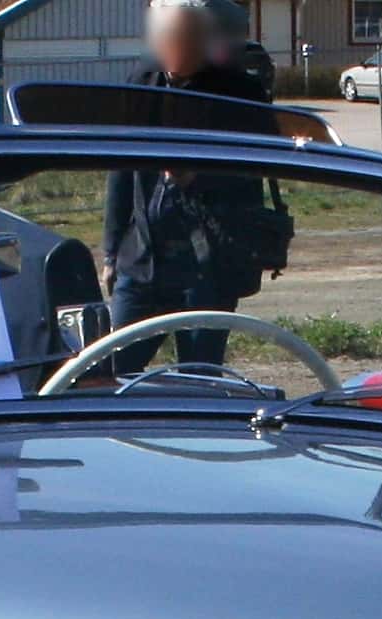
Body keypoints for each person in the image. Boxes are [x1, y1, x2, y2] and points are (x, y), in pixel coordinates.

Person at [101, 0, 276, 373]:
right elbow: (120, 170)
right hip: (142, 258)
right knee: (113, 372)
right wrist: (110, 252)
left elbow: (257, 169)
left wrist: (201, 174)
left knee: (199, 379)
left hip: (209, 267)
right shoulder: (142, 81)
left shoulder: (240, 93)